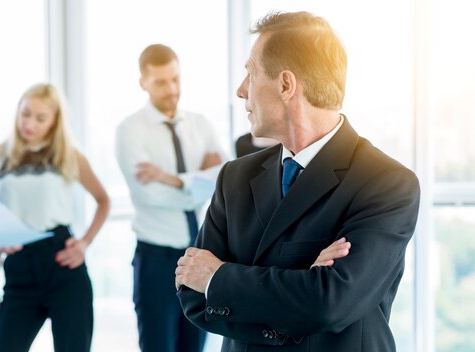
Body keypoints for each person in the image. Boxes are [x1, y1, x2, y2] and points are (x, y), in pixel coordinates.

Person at [175, 11, 420, 352]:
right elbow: (193, 297)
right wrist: (303, 285)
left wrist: (219, 278)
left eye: (250, 73)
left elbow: (331, 303)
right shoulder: (234, 177)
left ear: (286, 85)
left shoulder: (387, 184)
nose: (241, 90)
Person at [115, 44, 225, 352]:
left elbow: (225, 180)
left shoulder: (200, 124)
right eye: (161, 82)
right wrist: (198, 181)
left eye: (175, 79)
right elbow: (149, 196)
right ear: (143, 83)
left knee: (195, 345)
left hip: (199, 254)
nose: (172, 89)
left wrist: (173, 179)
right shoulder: (130, 130)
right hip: (156, 258)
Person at [0, 83, 110, 352]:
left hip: (62, 264)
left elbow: (103, 200)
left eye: (41, 118)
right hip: (18, 268)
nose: (30, 123)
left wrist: (85, 242)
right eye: (25, 113)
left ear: (54, 122)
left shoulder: (69, 156)